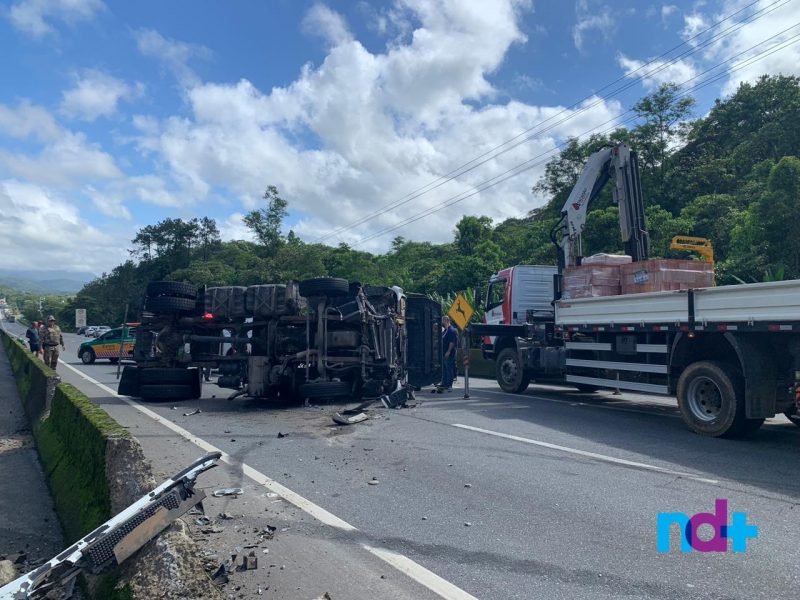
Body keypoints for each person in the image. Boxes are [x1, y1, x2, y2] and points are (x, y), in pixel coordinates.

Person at [440, 315, 458, 391]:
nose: (442, 323)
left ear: (447, 321)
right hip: (443, 353)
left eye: (443, 321)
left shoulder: (452, 331)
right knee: (444, 369)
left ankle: (449, 384)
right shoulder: (445, 331)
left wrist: (448, 351)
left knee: (449, 368)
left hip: (449, 353)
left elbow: (452, 342)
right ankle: (444, 383)